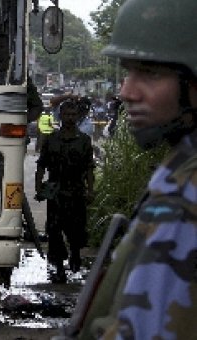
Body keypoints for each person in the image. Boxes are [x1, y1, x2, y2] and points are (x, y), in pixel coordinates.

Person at [76, 0, 197, 338]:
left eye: (151, 73)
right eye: (128, 71)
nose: (126, 91)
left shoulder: (185, 195)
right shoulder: (181, 162)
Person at [35, 99, 95, 283]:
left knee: (76, 228)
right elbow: (41, 165)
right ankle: (59, 266)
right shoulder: (51, 139)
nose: (70, 118)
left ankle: (75, 254)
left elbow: (89, 169)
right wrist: (39, 187)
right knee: (54, 229)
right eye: (67, 114)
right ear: (60, 116)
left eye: (73, 114)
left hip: (76, 189)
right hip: (55, 190)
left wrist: (90, 191)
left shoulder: (84, 140)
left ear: (78, 117)